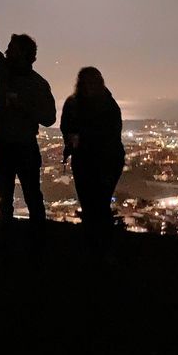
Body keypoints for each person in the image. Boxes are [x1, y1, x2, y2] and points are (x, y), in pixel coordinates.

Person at [0, 0, 57, 249]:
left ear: (23, 54)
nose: (6, 51)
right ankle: (6, 240)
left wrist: (24, 107)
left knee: (33, 195)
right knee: (5, 198)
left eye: (11, 49)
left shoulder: (37, 84)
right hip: (5, 143)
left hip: (24, 144)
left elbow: (49, 117)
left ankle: (37, 241)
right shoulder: (5, 73)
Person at [60, 67, 126, 248]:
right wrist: (72, 139)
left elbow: (111, 135)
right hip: (85, 160)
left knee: (99, 203)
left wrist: (81, 138)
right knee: (90, 204)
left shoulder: (107, 105)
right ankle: (96, 244)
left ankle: (99, 244)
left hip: (106, 161)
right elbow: (66, 127)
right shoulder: (75, 104)